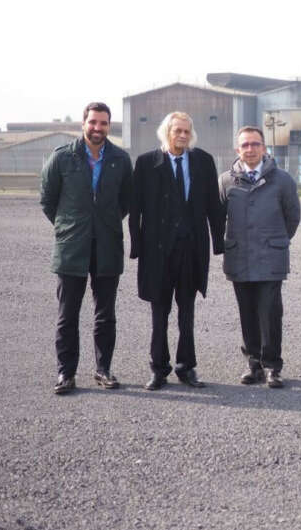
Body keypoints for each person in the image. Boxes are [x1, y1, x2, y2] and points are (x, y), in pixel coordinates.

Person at [39, 102, 133, 395]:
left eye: (103, 123)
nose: (98, 128)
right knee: (68, 314)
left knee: (105, 314)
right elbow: (48, 201)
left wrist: (102, 223)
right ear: (83, 124)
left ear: (109, 126)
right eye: (93, 122)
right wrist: (70, 226)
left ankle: (103, 369)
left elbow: (126, 201)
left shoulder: (120, 159)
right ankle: (66, 373)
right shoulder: (62, 158)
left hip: (107, 245)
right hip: (72, 247)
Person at [129, 112, 225, 391]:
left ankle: (186, 367)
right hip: (157, 253)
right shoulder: (147, 163)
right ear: (166, 132)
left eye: (187, 131)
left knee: (187, 313)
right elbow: (136, 209)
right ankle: (158, 369)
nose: (182, 135)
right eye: (177, 131)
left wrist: (218, 242)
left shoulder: (203, 162)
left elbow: (213, 207)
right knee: (159, 314)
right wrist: (136, 246)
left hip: (191, 250)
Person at [219, 126, 301, 388]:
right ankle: (253, 364)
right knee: (247, 313)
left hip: (270, 256)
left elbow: (293, 218)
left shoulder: (282, 180)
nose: (250, 149)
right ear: (238, 150)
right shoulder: (225, 181)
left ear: (264, 148)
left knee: (270, 312)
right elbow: (219, 216)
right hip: (239, 257)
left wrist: (276, 240)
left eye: (255, 144)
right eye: (245, 145)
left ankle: (272, 366)